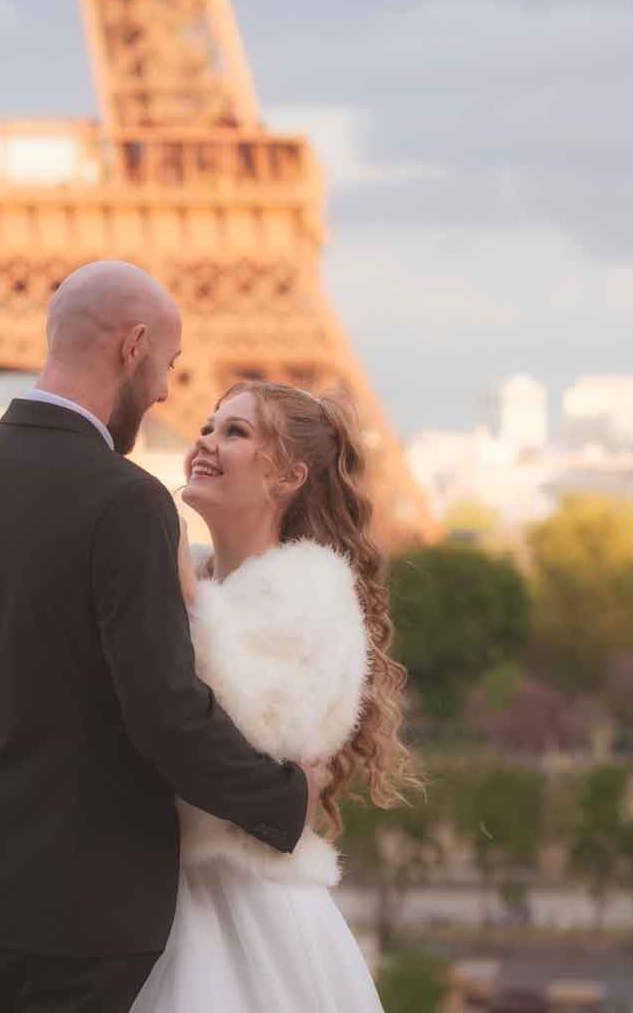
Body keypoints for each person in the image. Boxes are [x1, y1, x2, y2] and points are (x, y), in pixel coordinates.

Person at [0, 261, 326, 1013]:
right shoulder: (129, 502)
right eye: (167, 364)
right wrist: (284, 798)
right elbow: (162, 709)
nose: (167, 390)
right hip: (88, 901)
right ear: (133, 347)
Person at [129, 381, 419, 1011]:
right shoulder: (209, 588)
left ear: (288, 476)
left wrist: (181, 594)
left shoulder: (312, 593)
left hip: (240, 908)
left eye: (235, 431)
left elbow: (239, 735)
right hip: (174, 896)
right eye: (207, 426)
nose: (205, 439)